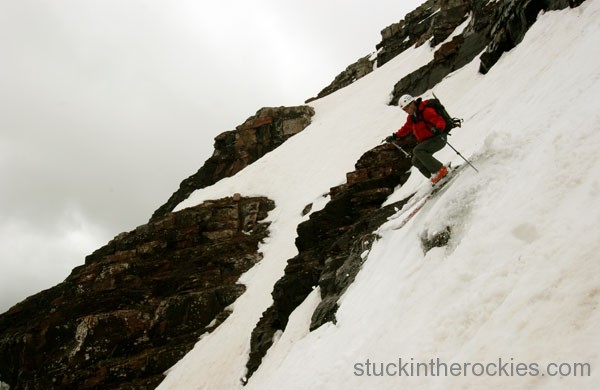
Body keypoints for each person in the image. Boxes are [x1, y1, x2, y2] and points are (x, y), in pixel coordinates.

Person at [386, 94, 449, 183]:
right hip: (429, 140)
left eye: (406, 108)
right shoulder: (412, 117)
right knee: (415, 161)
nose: (406, 111)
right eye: (404, 110)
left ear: (412, 104)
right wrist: (395, 136)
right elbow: (406, 128)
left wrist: (438, 129)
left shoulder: (426, 111)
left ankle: (440, 170)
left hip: (438, 138)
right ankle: (434, 177)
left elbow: (439, 120)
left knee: (417, 150)